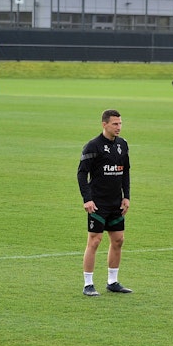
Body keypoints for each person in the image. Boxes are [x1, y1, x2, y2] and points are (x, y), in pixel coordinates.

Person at [77, 109, 133, 296]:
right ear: (104, 124)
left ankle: (113, 281)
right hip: (98, 203)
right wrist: (87, 199)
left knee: (118, 240)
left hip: (116, 202)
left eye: (120, 123)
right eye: (115, 124)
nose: (119, 127)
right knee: (95, 241)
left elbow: (125, 171)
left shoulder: (122, 145)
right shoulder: (93, 146)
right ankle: (88, 284)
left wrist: (127, 196)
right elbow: (82, 173)